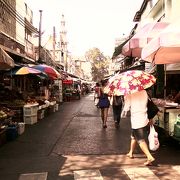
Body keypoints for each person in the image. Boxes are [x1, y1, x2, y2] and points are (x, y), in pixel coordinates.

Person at [121, 90, 155, 166]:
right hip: (144, 117)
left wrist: (126, 98)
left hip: (137, 119)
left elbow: (126, 108)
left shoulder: (130, 93)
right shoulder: (144, 92)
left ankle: (149, 156)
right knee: (134, 136)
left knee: (140, 139)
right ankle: (131, 152)